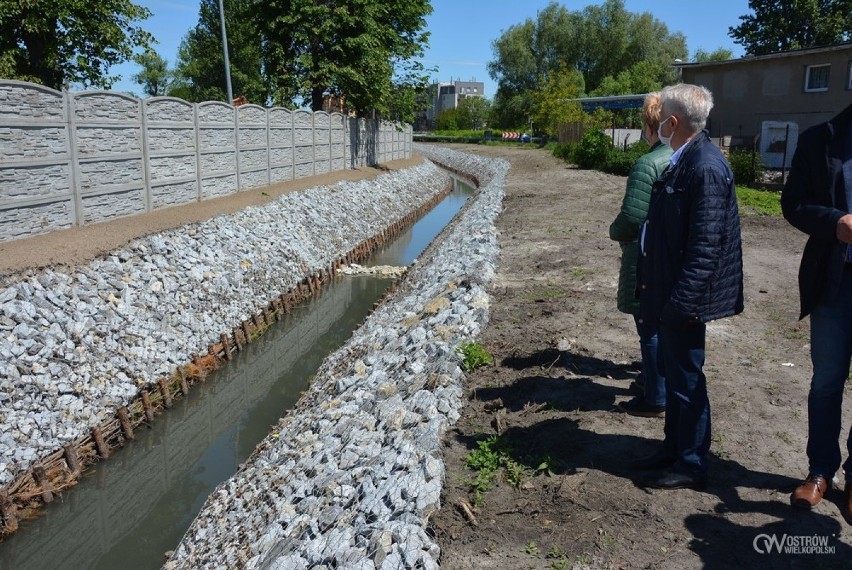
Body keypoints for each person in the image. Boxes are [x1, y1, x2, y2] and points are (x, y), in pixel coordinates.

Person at [632, 83, 744, 490]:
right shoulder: (686, 159)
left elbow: (706, 248)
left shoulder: (705, 167)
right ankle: (673, 448)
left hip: (684, 299)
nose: (658, 124)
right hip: (670, 292)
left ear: (673, 122)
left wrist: (678, 304)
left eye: (662, 118)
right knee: (677, 378)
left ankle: (692, 462)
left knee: (687, 382)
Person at [781, 101, 852, 514]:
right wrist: (834, 223)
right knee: (826, 380)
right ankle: (820, 470)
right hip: (835, 282)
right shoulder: (820, 139)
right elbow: (793, 204)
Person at [610, 92, 672, 417]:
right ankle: (656, 382)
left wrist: (613, 231)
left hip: (646, 260)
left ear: (651, 127)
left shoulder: (647, 164)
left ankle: (655, 396)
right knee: (667, 327)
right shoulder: (686, 157)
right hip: (675, 261)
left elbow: (632, 218)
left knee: (648, 327)